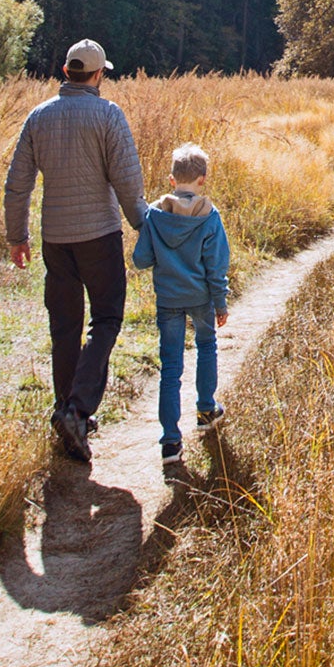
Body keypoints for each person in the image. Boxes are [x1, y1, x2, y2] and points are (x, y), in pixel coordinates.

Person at [5, 38, 147, 464]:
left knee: (64, 325)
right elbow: (127, 181)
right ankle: (77, 409)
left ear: (67, 72)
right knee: (106, 318)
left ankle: (65, 411)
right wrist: (146, 227)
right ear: (99, 74)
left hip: (55, 239)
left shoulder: (39, 117)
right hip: (100, 236)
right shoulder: (108, 114)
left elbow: (17, 184)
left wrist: (17, 236)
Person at [131, 141, 231, 461]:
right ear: (203, 180)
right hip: (201, 299)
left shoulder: (154, 216)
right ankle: (205, 411)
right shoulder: (210, 218)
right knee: (206, 347)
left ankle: (170, 441)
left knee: (170, 366)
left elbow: (141, 260)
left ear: (172, 180)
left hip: (168, 300)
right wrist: (220, 303)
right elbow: (216, 267)